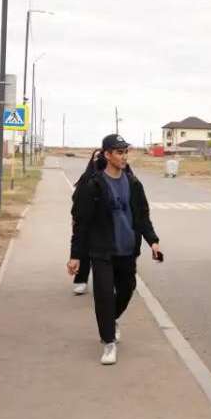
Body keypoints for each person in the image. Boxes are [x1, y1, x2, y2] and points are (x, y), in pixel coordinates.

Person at [66, 135, 161, 365]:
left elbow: (142, 216)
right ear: (107, 155)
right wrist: (75, 255)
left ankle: (112, 318)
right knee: (104, 295)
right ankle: (108, 343)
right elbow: (82, 223)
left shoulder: (134, 183)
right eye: (119, 152)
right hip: (102, 251)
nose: (124, 156)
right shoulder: (94, 185)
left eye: (125, 152)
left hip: (127, 250)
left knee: (128, 288)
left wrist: (153, 242)